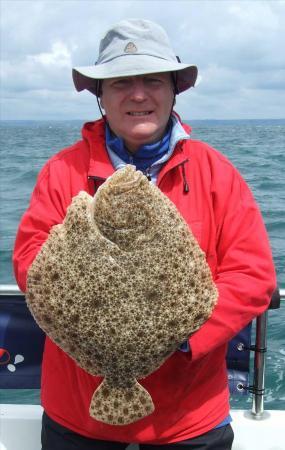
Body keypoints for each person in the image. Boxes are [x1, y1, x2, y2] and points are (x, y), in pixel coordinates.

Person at [13, 19, 276, 450]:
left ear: (174, 89)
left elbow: (252, 276)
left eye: (152, 80)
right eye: (120, 83)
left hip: (189, 421)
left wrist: (179, 337)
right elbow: (28, 259)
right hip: (79, 419)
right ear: (101, 95)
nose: (138, 94)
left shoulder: (216, 174)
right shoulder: (62, 171)